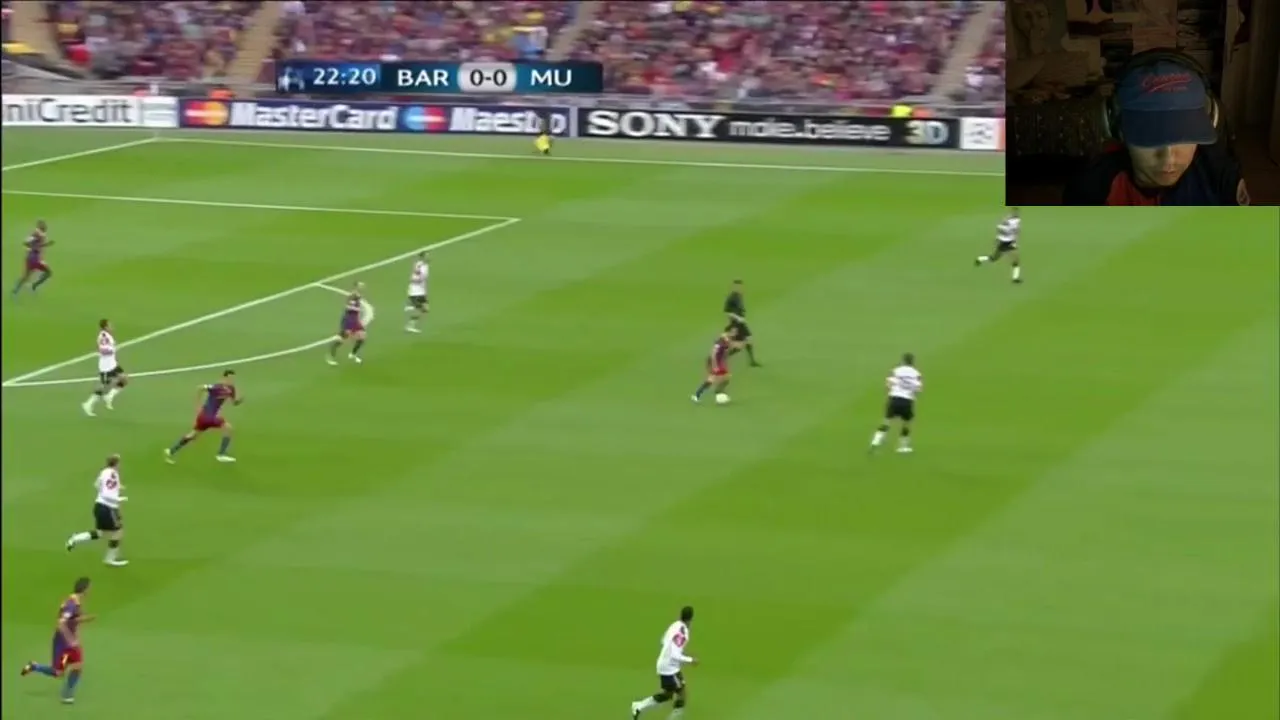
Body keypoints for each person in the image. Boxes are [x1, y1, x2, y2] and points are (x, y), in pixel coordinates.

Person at [1063, 50, 1249, 206]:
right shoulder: (1090, 189)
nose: (1168, 157)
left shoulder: (1219, 175)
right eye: (1150, 136)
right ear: (1116, 128)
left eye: (1184, 135)